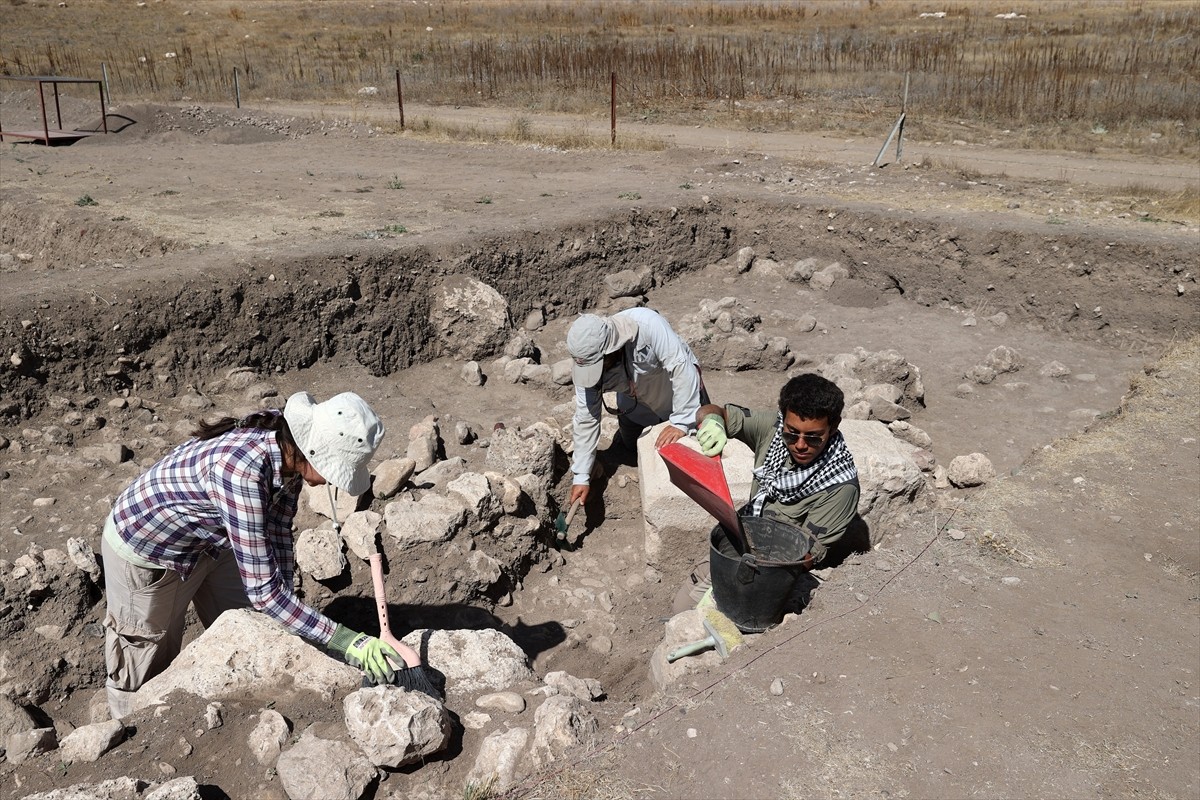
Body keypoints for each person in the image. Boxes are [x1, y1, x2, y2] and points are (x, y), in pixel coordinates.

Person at [101, 391, 419, 718]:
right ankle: (128, 732)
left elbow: (278, 528)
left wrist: (286, 604)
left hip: (214, 539)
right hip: (148, 551)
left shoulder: (288, 451)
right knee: (144, 662)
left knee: (254, 628)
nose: (333, 481)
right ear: (313, 453)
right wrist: (345, 640)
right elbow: (264, 592)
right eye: (336, 470)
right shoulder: (242, 472)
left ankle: (235, 712)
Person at [673, 373, 860, 612]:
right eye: (792, 433)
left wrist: (741, 578)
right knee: (682, 607)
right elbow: (713, 410)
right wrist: (712, 421)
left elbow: (806, 557)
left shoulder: (840, 487)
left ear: (833, 428)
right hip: (739, 541)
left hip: (771, 574)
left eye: (813, 437)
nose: (800, 445)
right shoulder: (772, 429)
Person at [566, 307, 708, 507]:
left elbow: (680, 368)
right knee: (633, 448)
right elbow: (586, 417)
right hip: (635, 409)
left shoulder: (648, 326)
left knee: (699, 449)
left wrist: (682, 422)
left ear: (610, 350)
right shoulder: (586, 361)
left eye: (599, 365)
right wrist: (581, 475)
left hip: (679, 399)